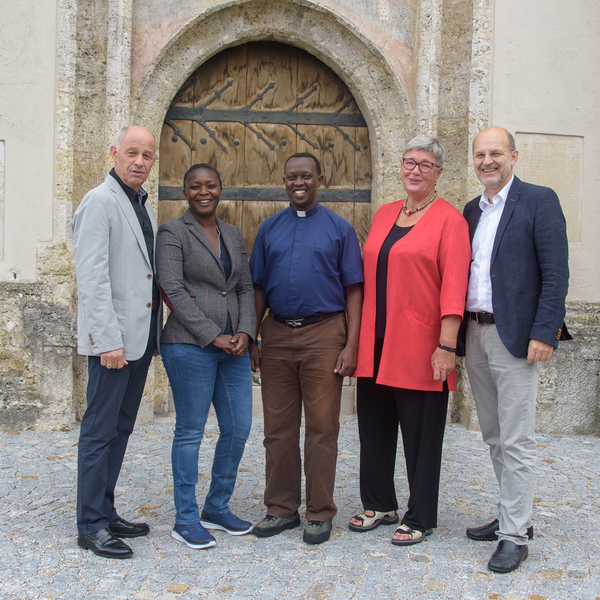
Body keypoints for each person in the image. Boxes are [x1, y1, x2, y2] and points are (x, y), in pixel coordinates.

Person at [350, 136, 471, 546]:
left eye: (425, 164)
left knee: (421, 437)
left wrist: (447, 346)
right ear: (399, 167)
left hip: (422, 345)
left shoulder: (450, 221)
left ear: (439, 172)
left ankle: (421, 515)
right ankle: (379, 502)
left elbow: (455, 288)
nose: (415, 170)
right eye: (409, 162)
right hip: (377, 343)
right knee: (375, 427)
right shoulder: (384, 214)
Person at [459, 127, 569, 573]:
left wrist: (544, 332)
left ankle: (515, 534)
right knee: (494, 434)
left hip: (518, 337)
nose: (487, 161)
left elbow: (556, 272)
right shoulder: (471, 210)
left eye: (495, 153)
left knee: (518, 437)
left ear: (513, 156)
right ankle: (512, 513)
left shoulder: (539, 200)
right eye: (480, 154)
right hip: (475, 333)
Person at [249, 153, 364, 545]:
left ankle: (319, 512)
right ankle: (281, 508)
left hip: (323, 335)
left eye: (306, 176)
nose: (299, 183)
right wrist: (252, 336)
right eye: (291, 177)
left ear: (320, 178)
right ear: (284, 182)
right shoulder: (269, 229)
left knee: (322, 428)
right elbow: (259, 287)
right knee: (277, 429)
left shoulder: (340, 229)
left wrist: (351, 344)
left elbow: (354, 289)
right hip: (277, 335)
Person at [72, 125, 162, 559]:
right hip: (113, 344)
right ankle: (89, 524)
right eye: (132, 153)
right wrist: (106, 340)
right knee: (99, 431)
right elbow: (91, 279)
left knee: (121, 429)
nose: (139, 162)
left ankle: (105, 510)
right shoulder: (99, 201)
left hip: (138, 342)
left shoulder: (141, 203)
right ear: (115, 152)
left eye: (147, 155)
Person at [156, 164, 256, 550]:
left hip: (234, 348)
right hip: (188, 345)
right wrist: (213, 335)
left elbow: (245, 286)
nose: (204, 192)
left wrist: (246, 331)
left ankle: (217, 506)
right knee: (191, 431)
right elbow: (173, 290)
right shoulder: (172, 232)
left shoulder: (232, 233)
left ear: (220, 189)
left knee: (238, 427)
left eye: (210, 185)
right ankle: (186, 518)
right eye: (195, 186)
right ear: (185, 191)